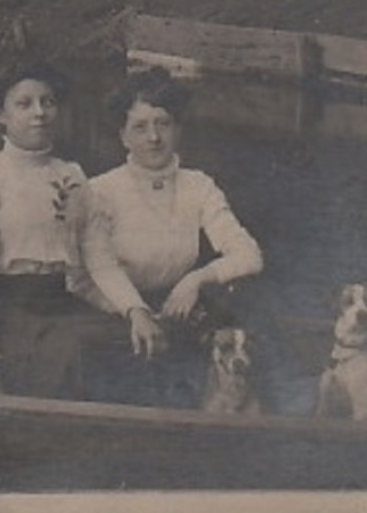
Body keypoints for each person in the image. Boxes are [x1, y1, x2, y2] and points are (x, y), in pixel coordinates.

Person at [74, 67, 264, 405]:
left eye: (163, 123)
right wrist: (134, 311)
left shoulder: (199, 185)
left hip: (178, 309)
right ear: (123, 136)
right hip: (113, 313)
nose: (154, 138)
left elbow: (249, 256)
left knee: (245, 332)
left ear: (178, 128)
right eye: (140, 127)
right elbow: (85, 278)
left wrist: (196, 280)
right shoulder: (100, 191)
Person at [0, 62, 107, 399]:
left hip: (59, 307)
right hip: (8, 317)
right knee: (73, 352)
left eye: (48, 102)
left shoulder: (71, 175)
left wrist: (135, 311)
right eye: (24, 104)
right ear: (0, 115)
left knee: (116, 343)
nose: (40, 113)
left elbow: (92, 264)